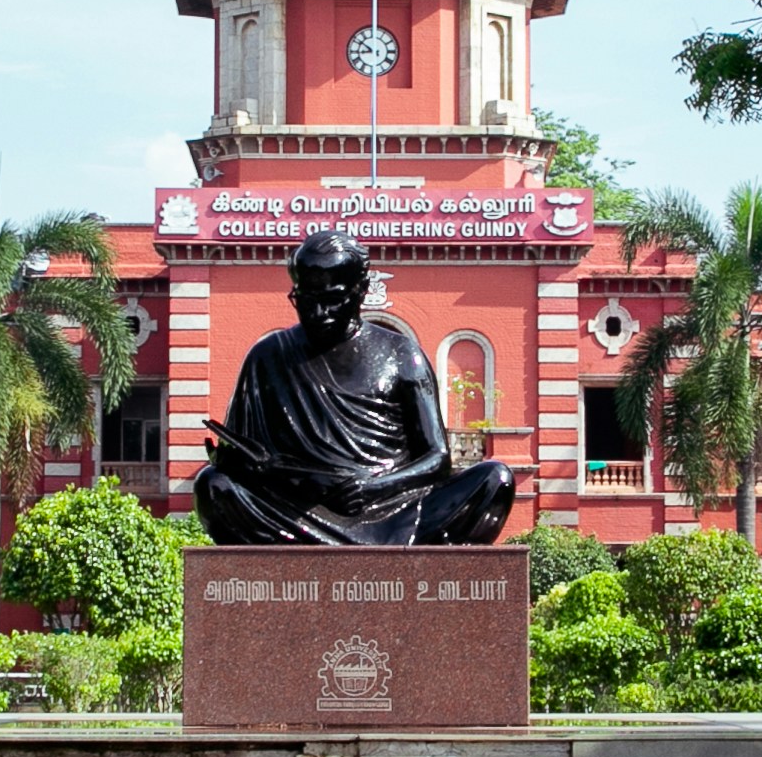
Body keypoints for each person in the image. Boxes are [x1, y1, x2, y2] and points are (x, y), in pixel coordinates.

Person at [193, 228, 519, 547]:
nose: (319, 313)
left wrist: (375, 487)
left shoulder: (402, 355)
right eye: (305, 299)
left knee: (495, 480)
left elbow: (436, 458)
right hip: (300, 512)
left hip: (392, 509)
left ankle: (364, 552)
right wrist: (244, 464)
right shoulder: (267, 356)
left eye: (332, 299)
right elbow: (248, 457)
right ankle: (329, 554)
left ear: (361, 290)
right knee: (212, 486)